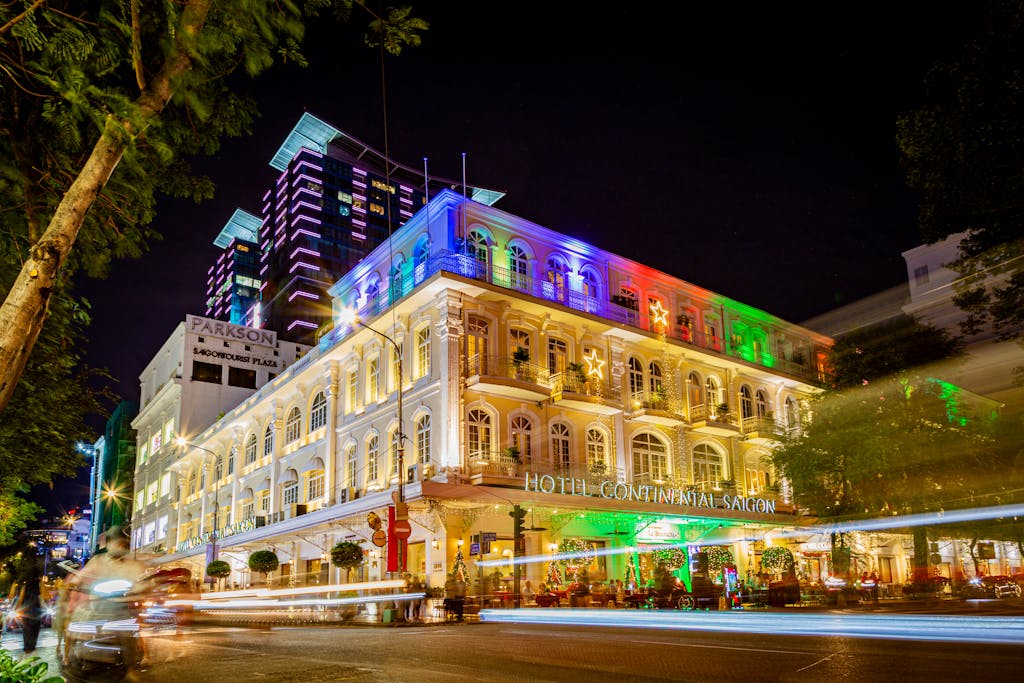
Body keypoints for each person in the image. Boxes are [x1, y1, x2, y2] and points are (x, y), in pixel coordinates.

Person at [11, 555, 44, 655]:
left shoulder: (25, 586)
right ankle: (32, 647)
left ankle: (27, 648)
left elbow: (20, 598)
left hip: (26, 612)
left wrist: (16, 608)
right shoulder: (38, 585)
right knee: (35, 631)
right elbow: (42, 597)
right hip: (36, 612)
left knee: (26, 631)